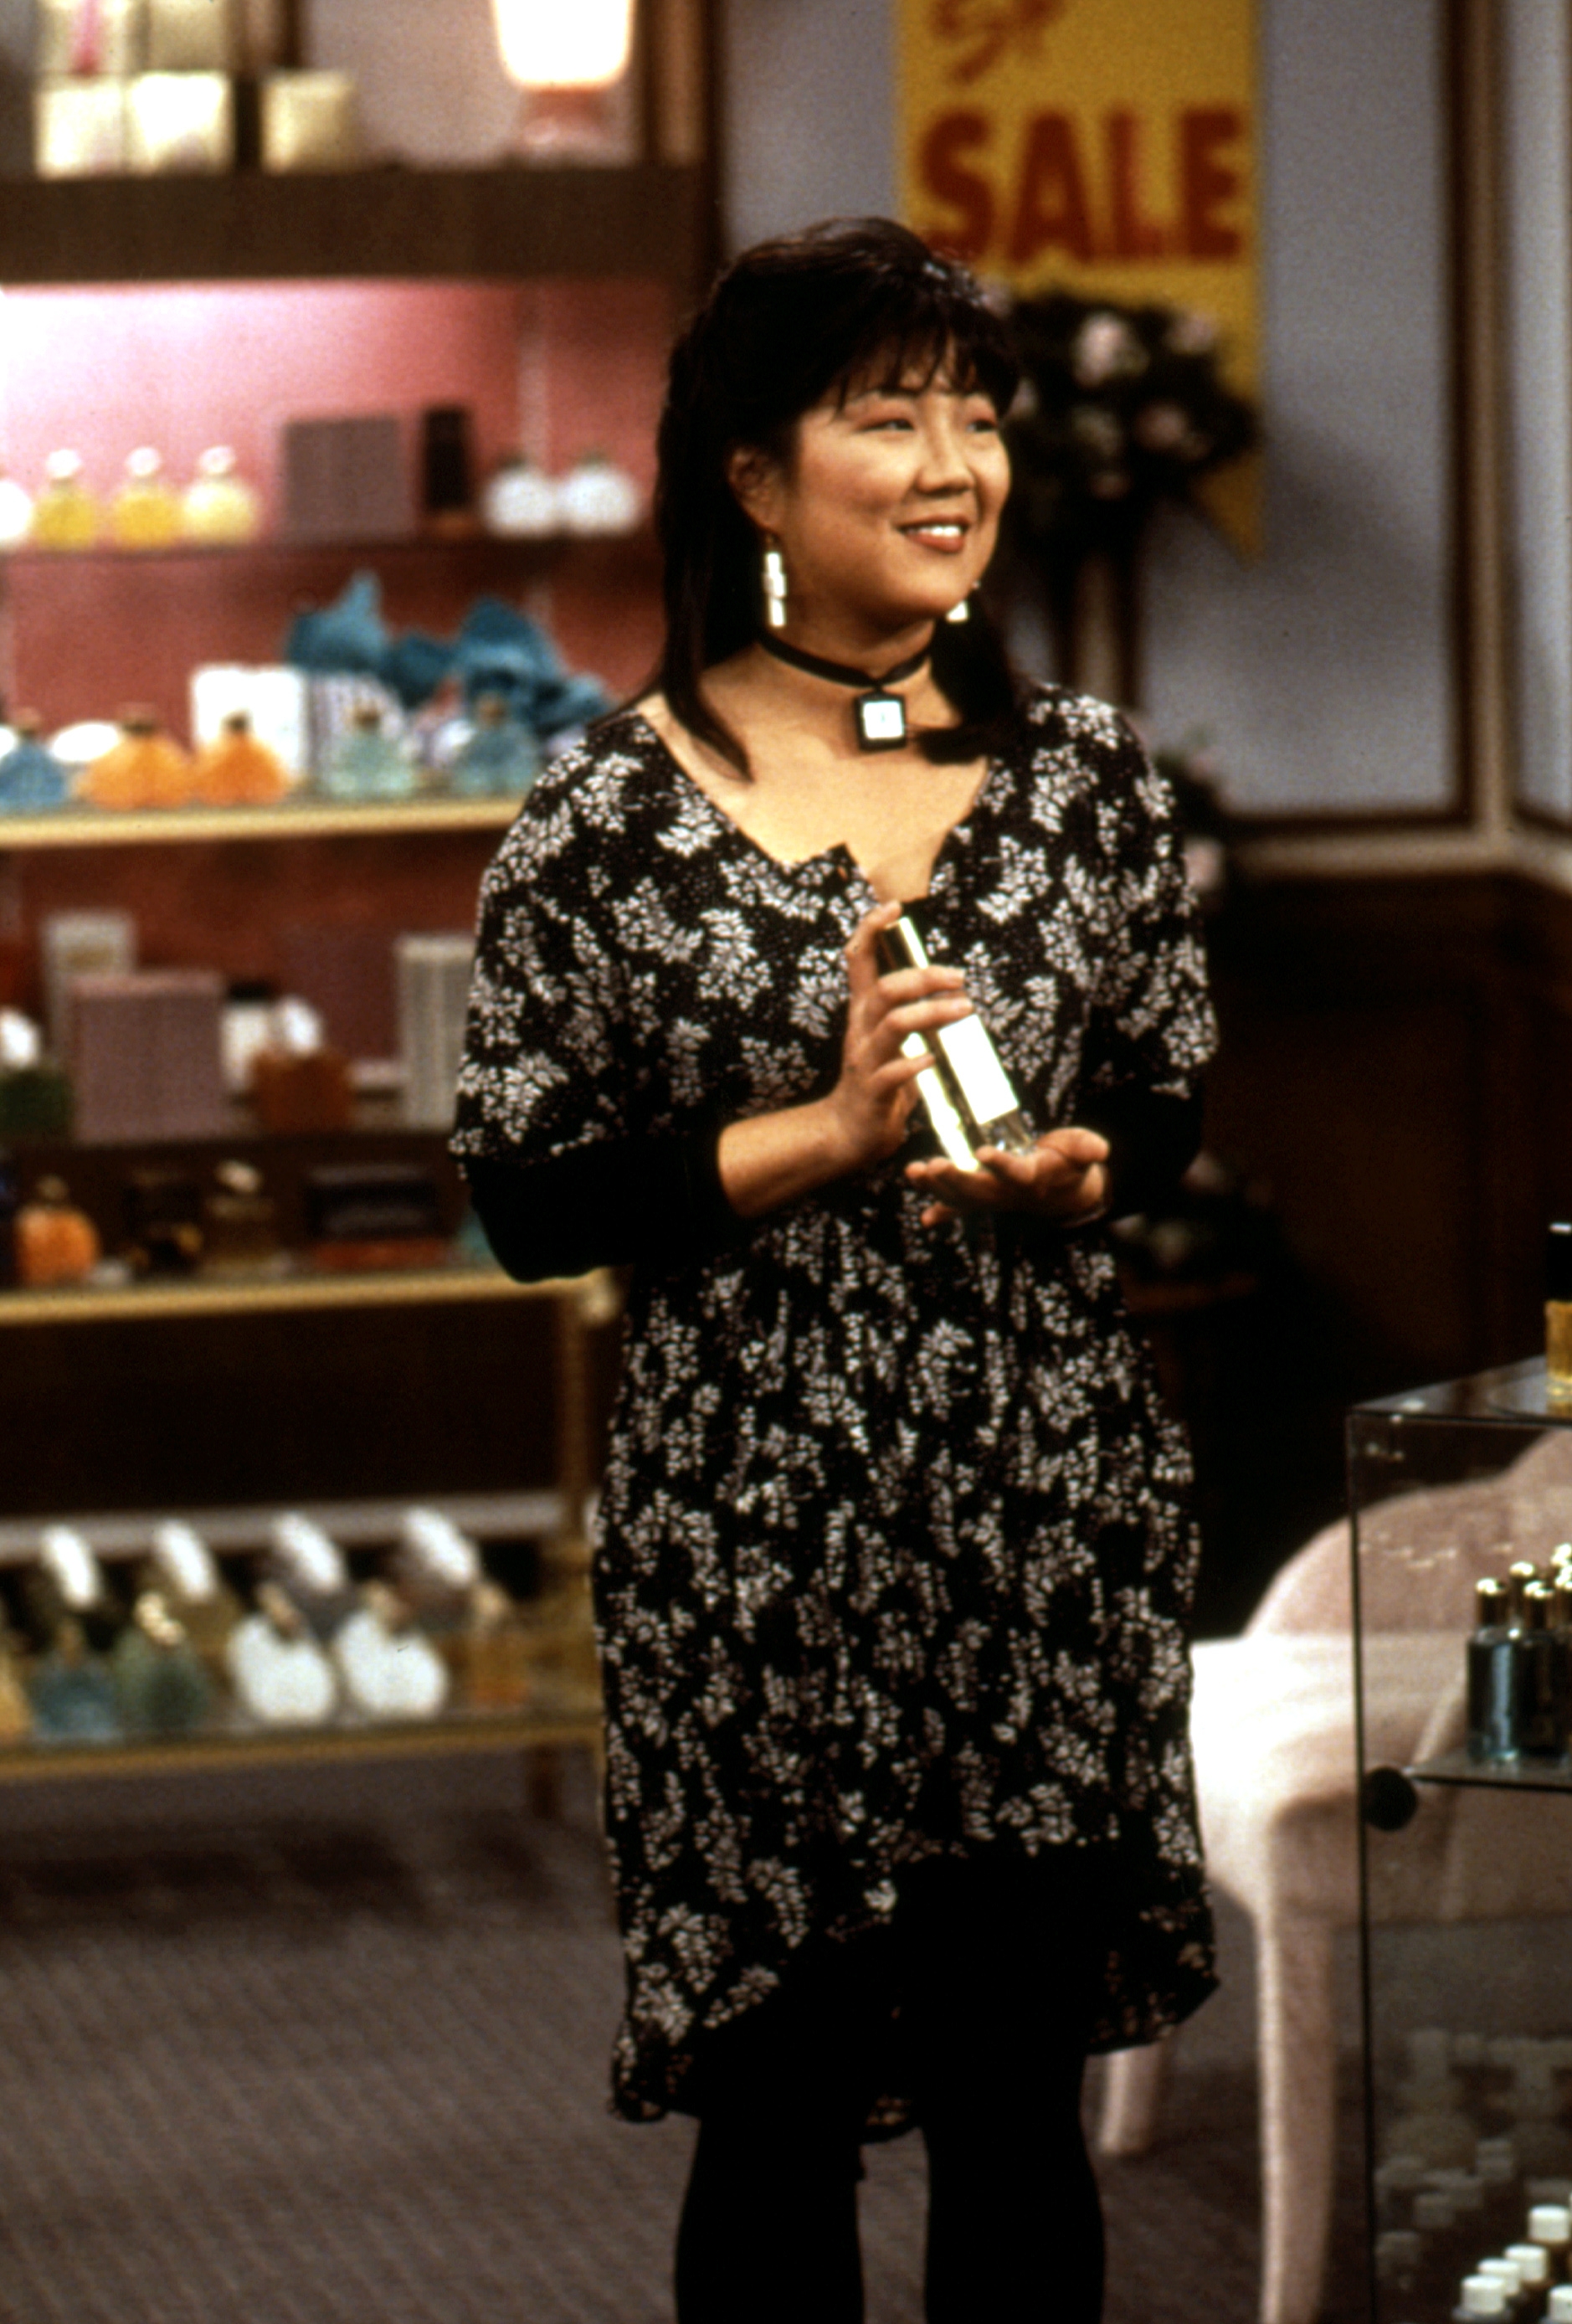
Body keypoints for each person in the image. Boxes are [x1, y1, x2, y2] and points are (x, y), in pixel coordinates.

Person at [453, 217, 1218, 2324]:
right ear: (757, 477)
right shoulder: (604, 813)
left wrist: (1078, 1173)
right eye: (888, 417)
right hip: (753, 1532)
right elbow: (527, 1194)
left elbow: (1162, 1086)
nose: (953, 462)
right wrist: (826, 1133)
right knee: (777, 2106)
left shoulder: (1089, 779)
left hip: (1038, 1505)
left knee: (1015, 2104)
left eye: (977, 414)